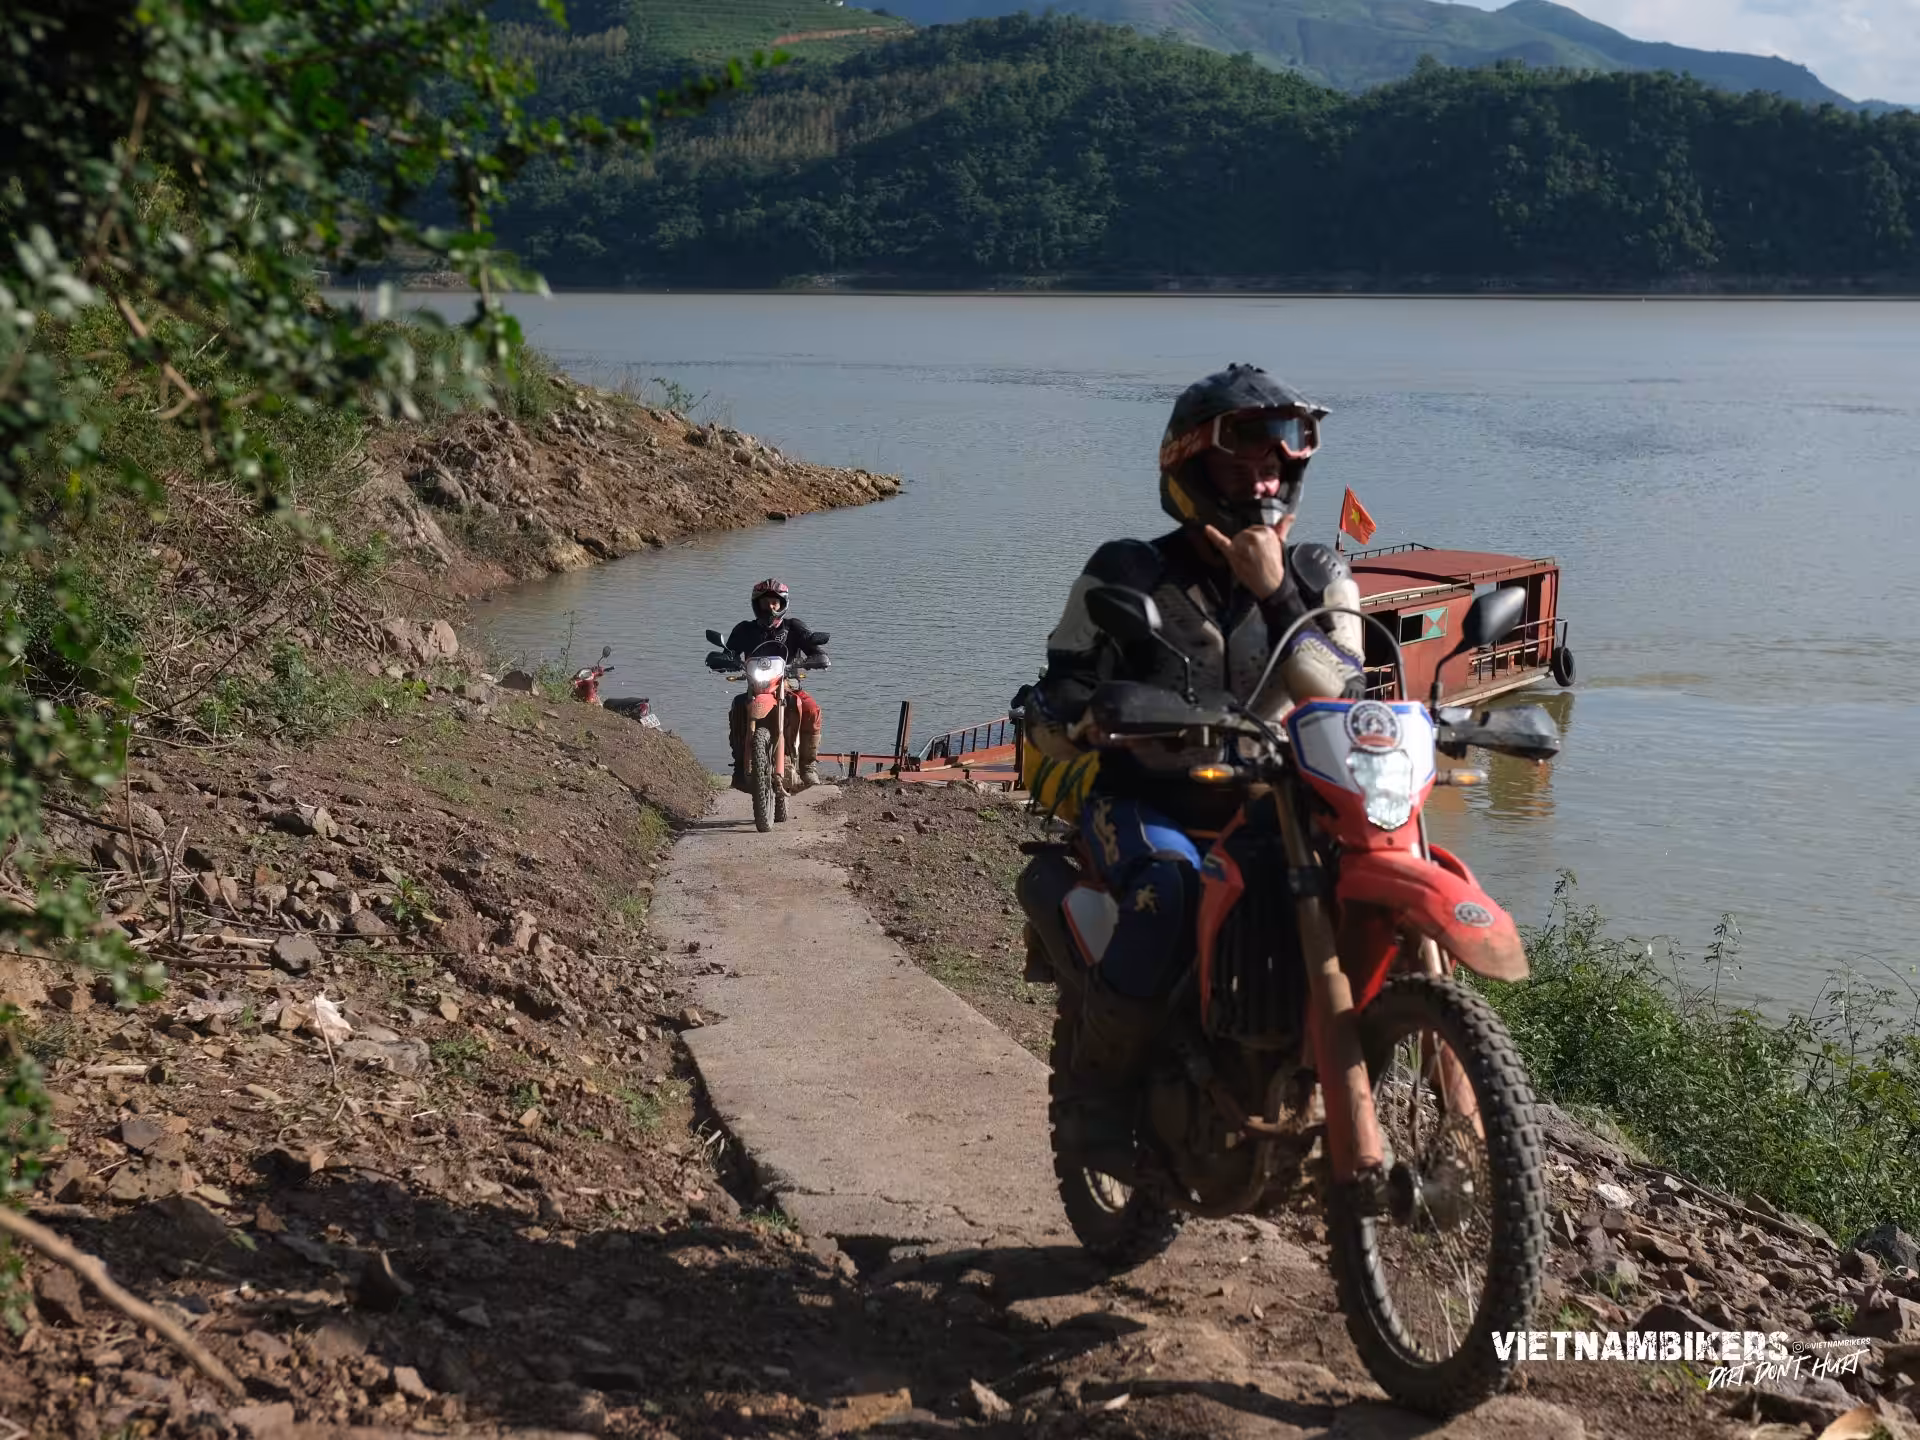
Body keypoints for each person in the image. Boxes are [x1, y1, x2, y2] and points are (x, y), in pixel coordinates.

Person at [1022, 363, 1366, 1174]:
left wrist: (1275, 591)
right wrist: (1082, 718)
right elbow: (1061, 684)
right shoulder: (1128, 570)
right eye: (1241, 467)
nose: (1263, 483)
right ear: (1191, 469)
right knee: (1169, 891)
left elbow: (1340, 691)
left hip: (1277, 808)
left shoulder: (1318, 575)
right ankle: (1096, 1100)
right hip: (1148, 801)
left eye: (1275, 466)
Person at [724, 578, 829, 792]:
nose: (770, 607)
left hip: (788, 685)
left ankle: (808, 766)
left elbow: (815, 649)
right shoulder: (745, 629)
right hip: (756, 687)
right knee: (737, 707)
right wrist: (724, 659)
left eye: (775, 602)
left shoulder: (794, 627)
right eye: (765, 603)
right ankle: (739, 766)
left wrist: (817, 658)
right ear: (757, 604)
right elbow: (729, 652)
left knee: (810, 708)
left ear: (783, 604)